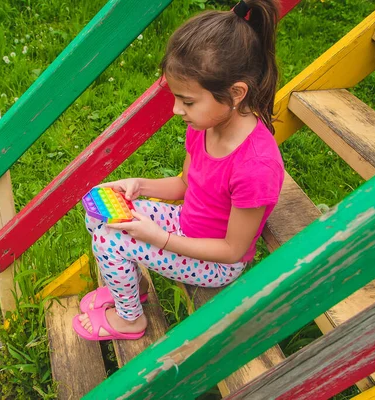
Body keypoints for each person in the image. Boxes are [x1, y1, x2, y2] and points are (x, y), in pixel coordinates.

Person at [73, 0, 284, 341]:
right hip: (186, 226)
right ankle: (132, 286)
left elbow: (232, 250)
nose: (175, 110)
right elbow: (186, 184)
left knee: (109, 240)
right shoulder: (204, 126)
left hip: (215, 263)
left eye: (187, 101)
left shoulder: (255, 167)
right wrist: (140, 186)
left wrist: (161, 239)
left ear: (235, 93)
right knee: (99, 209)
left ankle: (130, 320)